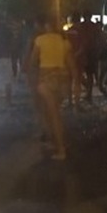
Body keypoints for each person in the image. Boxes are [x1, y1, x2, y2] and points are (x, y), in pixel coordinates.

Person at [29, 16, 75, 160]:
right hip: (62, 80)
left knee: (52, 115)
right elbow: (72, 65)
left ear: (47, 26)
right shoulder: (64, 42)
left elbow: (33, 62)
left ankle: (61, 149)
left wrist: (32, 78)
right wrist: (75, 86)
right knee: (52, 112)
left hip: (46, 80)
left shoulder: (40, 40)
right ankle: (55, 143)